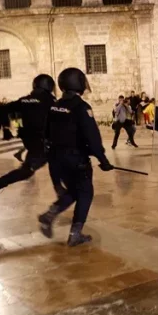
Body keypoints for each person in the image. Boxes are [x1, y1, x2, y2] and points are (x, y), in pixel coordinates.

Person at [37, 68, 113, 246]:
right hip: (76, 160)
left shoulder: (55, 106)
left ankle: (50, 214)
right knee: (86, 192)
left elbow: (46, 133)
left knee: (73, 191)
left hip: (57, 159)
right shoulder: (81, 107)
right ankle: (75, 234)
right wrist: (103, 160)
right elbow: (92, 137)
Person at [0, 75, 58, 207]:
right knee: (28, 170)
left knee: (31, 169)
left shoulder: (25, 100)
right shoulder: (49, 101)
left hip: (31, 142)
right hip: (43, 143)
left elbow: (3, 109)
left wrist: (12, 127)